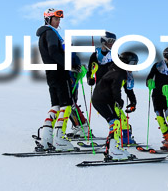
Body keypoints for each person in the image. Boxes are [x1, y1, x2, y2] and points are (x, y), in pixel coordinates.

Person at [32, 8, 81, 152]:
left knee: (56, 105)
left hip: (51, 73)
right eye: (56, 18)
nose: (58, 21)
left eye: (59, 19)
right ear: (48, 19)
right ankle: (60, 139)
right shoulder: (51, 33)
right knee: (66, 104)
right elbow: (54, 52)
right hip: (59, 72)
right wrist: (70, 66)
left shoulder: (43, 34)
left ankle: (47, 138)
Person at [91, 51, 139, 160]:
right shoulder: (118, 72)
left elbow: (128, 89)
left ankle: (113, 147)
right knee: (115, 122)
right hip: (102, 100)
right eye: (133, 64)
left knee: (116, 121)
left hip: (106, 100)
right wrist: (119, 100)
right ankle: (113, 150)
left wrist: (133, 102)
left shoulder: (122, 72)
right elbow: (115, 87)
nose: (134, 66)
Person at [145, 47, 168, 152]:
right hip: (156, 95)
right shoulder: (157, 66)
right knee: (160, 117)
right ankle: (167, 139)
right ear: (167, 56)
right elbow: (149, 77)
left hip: (167, 95)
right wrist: (149, 82)